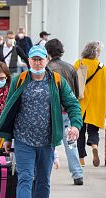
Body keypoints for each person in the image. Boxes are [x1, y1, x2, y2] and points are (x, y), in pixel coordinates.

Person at [0, 45, 82, 198]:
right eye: (33, 59)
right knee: (25, 177)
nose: (36, 62)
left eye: (40, 59)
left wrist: (76, 125)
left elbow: (73, 104)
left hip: (47, 141)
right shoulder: (19, 80)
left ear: (46, 60)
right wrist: (7, 137)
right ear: (28, 61)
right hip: (23, 139)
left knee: (43, 181)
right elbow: (10, 109)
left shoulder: (57, 81)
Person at [45, 38, 84, 185]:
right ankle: (77, 174)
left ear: (47, 52)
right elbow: (78, 92)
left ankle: (45, 173)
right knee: (71, 143)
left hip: (52, 113)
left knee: (49, 145)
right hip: (67, 112)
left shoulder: (47, 69)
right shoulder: (70, 68)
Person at [73, 41, 106, 167]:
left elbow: (72, 80)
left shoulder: (79, 63)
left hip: (81, 101)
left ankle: (81, 158)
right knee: (93, 131)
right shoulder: (102, 67)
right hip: (96, 103)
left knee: (80, 131)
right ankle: (94, 145)